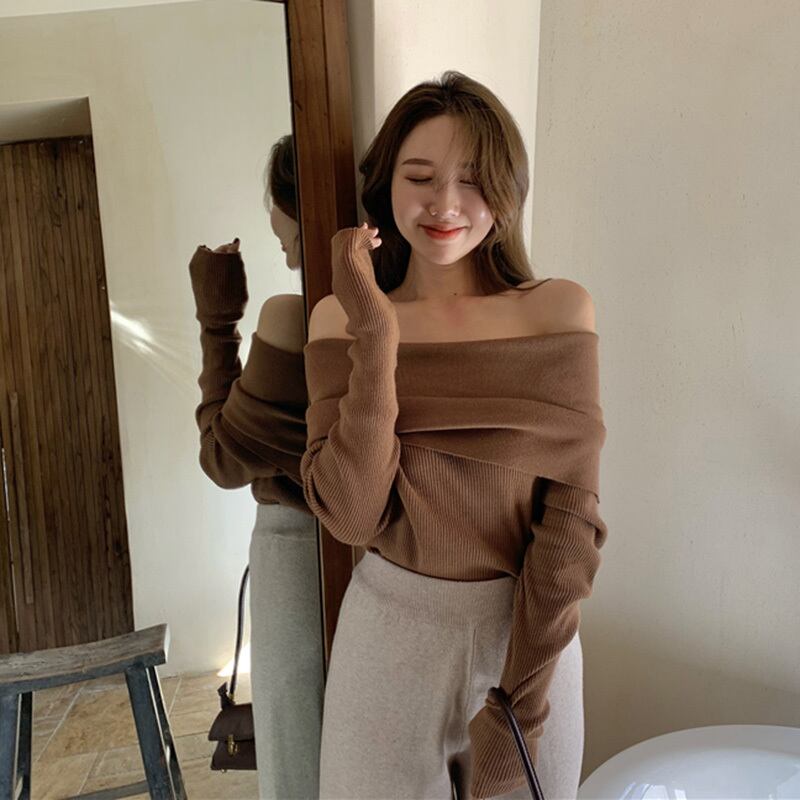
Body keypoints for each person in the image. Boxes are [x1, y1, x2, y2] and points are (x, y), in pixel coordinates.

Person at [301, 71, 608, 800]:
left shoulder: (557, 311)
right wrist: (377, 335)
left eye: (472, 180)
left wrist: (522, 706)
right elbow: (352, 515)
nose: (445, 203)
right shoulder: (337, 320)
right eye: (420, 177)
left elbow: (571, 521)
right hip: (388, 635)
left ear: (507, 192)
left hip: (527, 639)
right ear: (387, 186)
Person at [188, 134, 323, 800]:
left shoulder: (293, 317)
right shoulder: (394, 309)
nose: (289, 258)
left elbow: (220, 457)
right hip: (372, 562)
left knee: (294, 748)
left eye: (289, 242)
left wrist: (217, 320)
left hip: (294, 552)